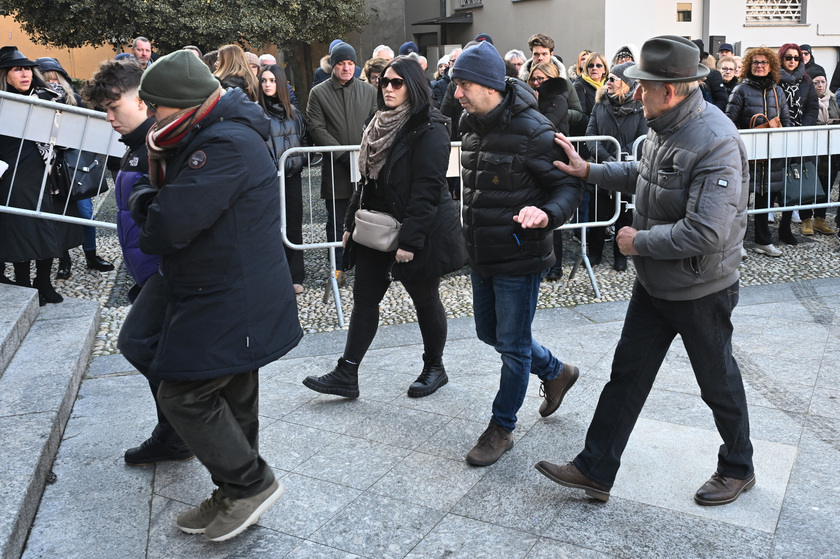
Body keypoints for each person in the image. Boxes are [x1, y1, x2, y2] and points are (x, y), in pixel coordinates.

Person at [542, 35, 755, 507]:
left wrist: (638, 242)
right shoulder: (664, 123)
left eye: (643, 86)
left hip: (701, 288)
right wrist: (587, 171)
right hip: (656, 282)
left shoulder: (716, 140)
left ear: (671, 89)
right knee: (626, 376)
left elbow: (707, 232)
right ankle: (595, 469)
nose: (635, 93)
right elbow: (645, 173)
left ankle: (739, 467)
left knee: (717, 382)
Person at [129, 50, 302, 541]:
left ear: (181, 104)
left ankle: (249, 484)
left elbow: (167, 225)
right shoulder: (203, 133)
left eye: (155, 107)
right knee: (234, 392)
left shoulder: (223, 143)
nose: (151, 117)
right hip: (227, 288)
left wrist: (143, 199)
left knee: (184, 395)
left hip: (232, 293)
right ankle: (233, 490)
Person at [302, 56, 465, 399]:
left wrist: (410, 240)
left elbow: (427, 190)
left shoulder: (430, 128)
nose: (388, 88)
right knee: (364, 299)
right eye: (384, 82)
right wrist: (349, 224)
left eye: (397, 83)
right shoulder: (376, 122)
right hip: (375, 227)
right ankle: (347, 372)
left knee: (424, 298)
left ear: (413, 86)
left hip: (416, 230)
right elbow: (366, 182)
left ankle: (435, 367)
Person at [452, 41, 583, 467]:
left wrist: (545, 215)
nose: (457, 94)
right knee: (492, 335)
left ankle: (501, 427)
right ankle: (557, 371)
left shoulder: (535, 130)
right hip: (481, 252)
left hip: (519, 256)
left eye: (464, 85)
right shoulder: (469, 124)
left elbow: (568, 186)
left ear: (490, 86)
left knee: (511, 346)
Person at [83, 57, 189, 465]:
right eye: (104, 110)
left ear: (142, 100)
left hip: (165, 273)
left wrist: (160, 271)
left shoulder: (159, 144)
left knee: (144, 347)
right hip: (149, 272)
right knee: (154, 351)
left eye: (114, 106)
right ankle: (174, 431)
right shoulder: (135, 146)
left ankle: (180, 431)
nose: (109, 117)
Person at [0, 46, 82, 305]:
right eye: (17, 69)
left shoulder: (48, 96)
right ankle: (24, 282)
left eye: (26, 68)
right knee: (22, 229)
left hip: (48, 171)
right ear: (5, 74)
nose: (24, 74)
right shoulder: (2, 101)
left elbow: (66, 131)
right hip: (13, 173)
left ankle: (43, 281)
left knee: (50, 226)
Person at [35, 57, 115, 279]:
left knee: (84, 213)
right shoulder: (36, 101)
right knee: (58, 214)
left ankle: (91, 255)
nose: (52, 83)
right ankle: (64, 259)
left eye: (56, 78)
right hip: (49, 166)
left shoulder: (75, 101)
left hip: (74, 165)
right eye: (47, 79)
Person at [307, 42, 377, 283]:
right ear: (333, 66)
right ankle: (338, 269)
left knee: (369, 219)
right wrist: (342, 155)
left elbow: (378, 123)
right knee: (337, 221)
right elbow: (316, 127)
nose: (346, 68)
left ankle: (369, 267)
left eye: (350, 63)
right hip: (337, 170)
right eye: (341, 63)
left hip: (367, 167)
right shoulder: (318, 92)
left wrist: (367, 153)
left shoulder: (369, 91)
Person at [724, 47, 791, 256]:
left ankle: (763, 240)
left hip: (770, 155)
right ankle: (738, 243)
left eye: (764, 63)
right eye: (755, 62)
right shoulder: (740, 90)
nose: (760, 66)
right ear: (749, 66)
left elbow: (786, 121)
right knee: (742, 201)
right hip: (746, 155)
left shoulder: (777, 90)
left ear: (771, 66)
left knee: (765, 198)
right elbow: (728, 122)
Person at [585, 61, 647, 271]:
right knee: (598, 212)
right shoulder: (600, 103)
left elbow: (643, 138)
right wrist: (606, 156)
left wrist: (621, 155)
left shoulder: (640, 107)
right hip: (603, 166)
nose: (607, 82)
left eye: (612, 78)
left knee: (625, 214)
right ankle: (594, 253)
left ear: (626, 83)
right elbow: (590, 135)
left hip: (627, 168)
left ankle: (621, 255)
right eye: (607, 78)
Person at [258, 63, 311, 293]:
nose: (267, 84)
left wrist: (301, 161)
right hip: (268, 179)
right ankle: (273, 275)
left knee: (294, 226)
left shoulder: (295, 114)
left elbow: (306, 140)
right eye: (263, 80)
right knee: (270, 226)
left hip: (291, 177)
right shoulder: (255, 113)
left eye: (271, 80)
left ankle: (295, 275)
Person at [528, 61, 570, 281]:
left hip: (554, 162)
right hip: (537, 161)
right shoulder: (534, 98)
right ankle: (542, 263)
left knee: (552, 216)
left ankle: (556, 266)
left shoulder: (558, 100)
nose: (537, 83)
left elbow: (543, 126)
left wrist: (533, 106)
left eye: (541, 79)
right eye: (534, 78)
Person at [778, 43, 820, 239]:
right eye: (788, 57)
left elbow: (812, 106)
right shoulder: (774, 79)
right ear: (781, 59)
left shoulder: (806, 80)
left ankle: (785, 225)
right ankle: (764, 222)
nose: (792, 61)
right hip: (778, 135)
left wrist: (803, 128)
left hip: (798, 136)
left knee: (793, 181)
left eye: (796, 58)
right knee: (774, 180)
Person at [519, 34, 585, 130]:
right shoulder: (523, 81)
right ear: (531, 54)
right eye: (536, 54)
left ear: (551, 54)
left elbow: (578, 113)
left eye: (544, 54)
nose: (540, 58)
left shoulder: (564, 81)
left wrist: (557, 112)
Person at [803, 69, 838, 236]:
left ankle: (820, 218)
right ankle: (806, 219)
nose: (820, 85)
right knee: (808, 184)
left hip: (829, 150)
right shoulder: (807, 100)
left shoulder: (832, 100)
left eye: (823, 82)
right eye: (816, 82)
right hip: (812, 148)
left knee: (826, 183)